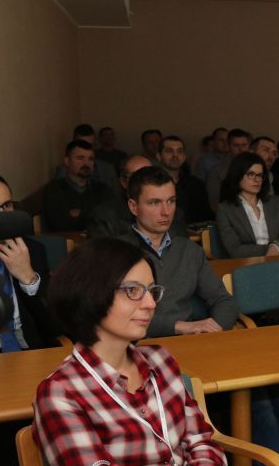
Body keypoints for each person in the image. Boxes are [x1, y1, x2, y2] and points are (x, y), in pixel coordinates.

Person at [33, 237, 279, 466]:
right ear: (91, 294)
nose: (151, 304)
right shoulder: (61, 393)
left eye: (152, 291)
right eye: (133, 291)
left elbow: (201, 441)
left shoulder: (159, 360)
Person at [119, 166, 237, 336]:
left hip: (189, 342)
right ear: (133, 207)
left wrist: (214, 330)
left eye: (171, 201)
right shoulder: (115, 253)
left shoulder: (189, 250)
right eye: (154, 203)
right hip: (134, 345)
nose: (166, 212)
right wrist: (180, 326)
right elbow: (110, 314)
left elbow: (223, 300)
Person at [0, 174, 57, 351]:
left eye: (6, 206)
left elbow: (54, 323)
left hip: (26, 347)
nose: (1, 216)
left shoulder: (31, 249)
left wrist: (28, 278)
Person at [216, 152, 279, 258]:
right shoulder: (225, 209)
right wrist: (273, 249)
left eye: (260, 175)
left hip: (277, 261)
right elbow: (234, 249)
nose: (256, 179)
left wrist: (276, 247)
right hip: (246, 264)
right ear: (237, 175)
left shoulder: (276, 202)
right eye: (250, 174)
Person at [88, 155, 188, 239]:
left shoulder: (175, 214)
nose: (145, 182)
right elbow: (105, 258)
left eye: (150, 175)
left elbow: (183, 253)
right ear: (123, 182)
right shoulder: (103, 216)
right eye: (136, 176)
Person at [43, 140, 114, 231]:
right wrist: (94, 214)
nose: (86, 163)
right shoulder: (54, 189)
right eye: (80, 158)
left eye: (90, 159)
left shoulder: (103, 189)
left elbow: (111, 220)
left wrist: (81, 214)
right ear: (67, 161)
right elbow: (62, 225)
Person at [158, 135, 214, 223]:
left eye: (179, 151)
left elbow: (206, 217)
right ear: (159, 156)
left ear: (184, 157)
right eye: (169, 151)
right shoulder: (150, 184)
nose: (175, 155)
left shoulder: (196, 184)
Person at [206, 128, 252, 211]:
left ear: (249, 145)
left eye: (244, 145)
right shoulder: (217, 170)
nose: (241, 149)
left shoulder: (256, 166)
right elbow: (214, 202)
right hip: (229, 214)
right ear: (228, 146)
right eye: (236, 145)